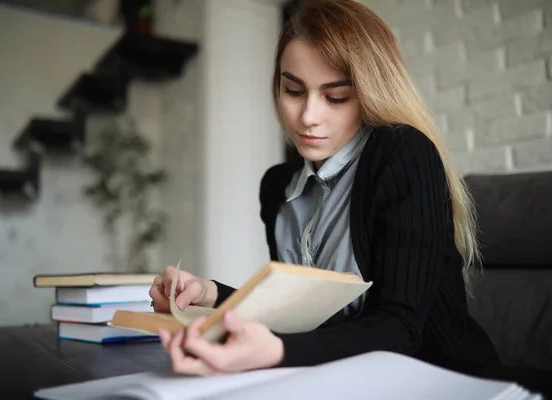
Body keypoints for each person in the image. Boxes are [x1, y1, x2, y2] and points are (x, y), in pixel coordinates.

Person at [149, 0, 501, 377]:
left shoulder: (403, 155)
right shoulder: (277, 187)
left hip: (442, 378)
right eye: (293, 91)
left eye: (335, 97)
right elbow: (301, 313)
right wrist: (211, 295)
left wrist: (277, 351)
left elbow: (400, 328)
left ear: (369, 92)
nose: (308, 117)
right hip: (335, 377)